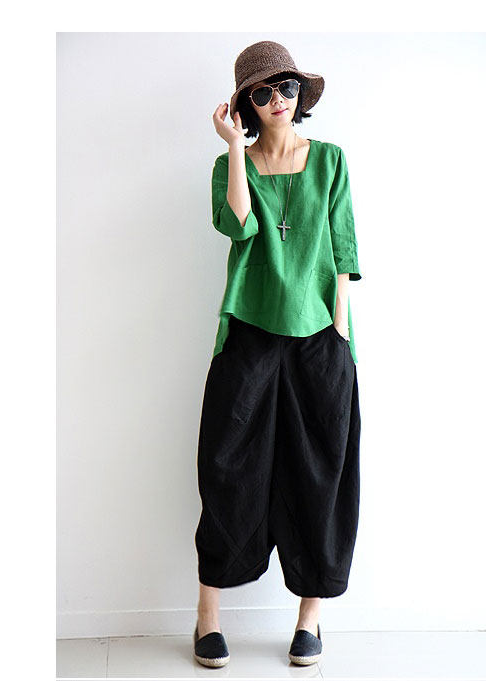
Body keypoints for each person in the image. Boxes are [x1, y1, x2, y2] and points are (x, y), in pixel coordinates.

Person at [192, 40, 362, 669]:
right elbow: (238, 225)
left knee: (321, 470)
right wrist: (236, 148)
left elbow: (344, 246)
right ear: (245, 104)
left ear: (300, 94)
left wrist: (339, 329)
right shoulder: (229, 164)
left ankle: (309, 619)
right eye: (261, 93)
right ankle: (208, 616)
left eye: (286, 88)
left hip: (319, 335)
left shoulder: (331, 160)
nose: (278, 101)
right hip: (250, 331)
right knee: (227, 467)